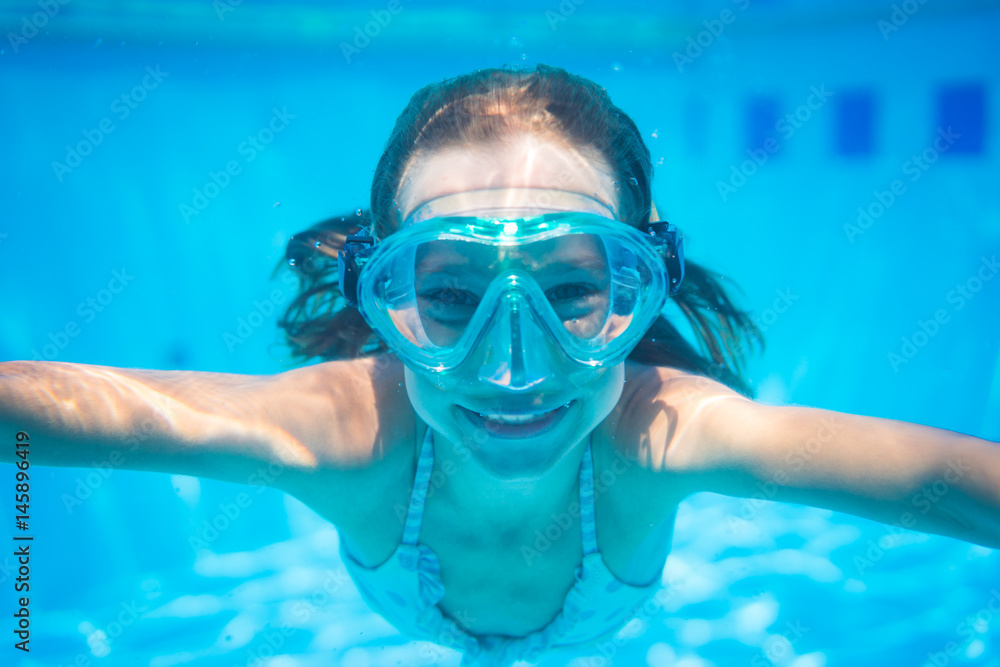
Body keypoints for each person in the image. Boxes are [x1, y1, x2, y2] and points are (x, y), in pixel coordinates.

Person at [3, 64, 998, 667]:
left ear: (644, 282)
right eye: (445, 294)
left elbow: (935, 481)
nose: (513, 367)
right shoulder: (348, 434)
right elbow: (71, 412)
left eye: (570, 290)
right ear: (376, 296)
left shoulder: (661, 434)